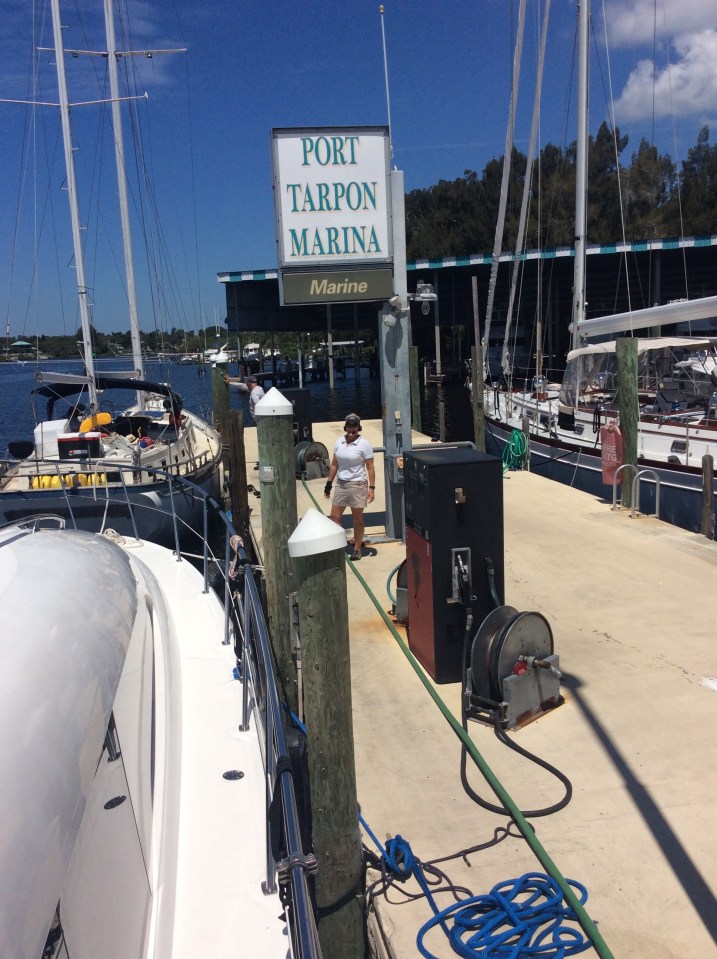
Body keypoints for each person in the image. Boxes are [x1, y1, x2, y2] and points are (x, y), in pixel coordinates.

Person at [324, 413, 375, 560]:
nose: (351, 429)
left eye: (354, 426)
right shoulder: (339, 441)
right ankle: (336, 546)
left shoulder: (364, 444)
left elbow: (370, 467)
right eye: (349, 426)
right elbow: (334, 464)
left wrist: (372, 488)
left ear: (358, 427)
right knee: (334, 517)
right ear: (345, 427)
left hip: (358, 485)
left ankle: (357, 549)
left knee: (357, 519)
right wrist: (328, 484)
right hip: (341, 484)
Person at [224, 372, 265, 468]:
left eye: (247, 383)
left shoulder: (254, 393)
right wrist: (230, 383)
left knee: (261, 441)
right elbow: (242, 386)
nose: (246, 384)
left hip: (260, 420)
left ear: (250, 383)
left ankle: (263, 461)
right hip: (261, 419)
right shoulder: (259, 389)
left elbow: (258, 404)